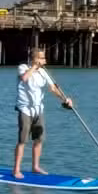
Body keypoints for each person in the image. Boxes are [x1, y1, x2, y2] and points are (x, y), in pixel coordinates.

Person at [13, 48, 73, 179]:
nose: (44, 60)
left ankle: (35, 167)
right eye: (41, 58)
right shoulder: (23, 67)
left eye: (44, 57)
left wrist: (65, 99)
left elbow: (53, 88)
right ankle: (16, 170)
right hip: (25, 109)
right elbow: (24, 78)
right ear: (34, 59)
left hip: (38, 109)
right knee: (22, 141)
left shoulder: (44, 72)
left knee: (39, 140)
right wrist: (34, 66)